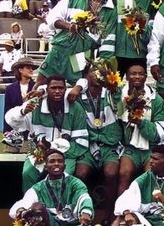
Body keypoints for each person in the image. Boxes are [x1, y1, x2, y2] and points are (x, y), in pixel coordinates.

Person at [5, 75, 89, 192]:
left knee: (64, 174)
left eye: (61, 88)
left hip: (66, 154)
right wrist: (22, 111)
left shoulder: (75, 107)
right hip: (39, 152)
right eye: (53, 88)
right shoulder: (36, 104)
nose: (57, 91)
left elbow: (81, 141)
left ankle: (59, 208)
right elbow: (10, 119)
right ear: (47, 89)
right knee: (28, 173)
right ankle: (30, 206)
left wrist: (56, 152)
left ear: (65, 89)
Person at [68, 66, 123, 225]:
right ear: (86, 76)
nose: (99, 75)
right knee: (81, 174)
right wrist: (78, 86)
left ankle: (108, 215)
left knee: (111, 173)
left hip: (109, 145)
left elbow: (120, 100)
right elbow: (61, 92)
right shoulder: (78, 95)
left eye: (102, 73)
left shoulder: (112, 93)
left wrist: (111, 84)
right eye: (94, 71)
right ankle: (82, 214)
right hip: (88, 145)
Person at [36, 0, 117, 88]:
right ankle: (29, 104)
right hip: (59, 51)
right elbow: (52, 18)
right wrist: (68, 26)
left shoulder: (111, 11)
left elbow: (108, 44)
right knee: (40, 85)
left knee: (78, 92)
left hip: (82, 56)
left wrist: (99, 67)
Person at [113, 145, 164, 226]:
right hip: (148, 221)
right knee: (122, 219)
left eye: (155, 159)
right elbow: (126, 198)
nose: (150, 162)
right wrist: (127, 213)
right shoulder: (144, 179)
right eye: (151, 158)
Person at [116, 63, 164, 196]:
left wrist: (141, 123)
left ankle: (148, 210)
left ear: (145, 77)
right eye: (133, 74)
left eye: (140, 74)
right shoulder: (119, 97)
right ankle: (121, 212)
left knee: (150, 175)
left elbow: (160, 133)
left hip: (150, 148)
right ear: (126, 77)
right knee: (124, 173)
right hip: (129, 148)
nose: (137, 77)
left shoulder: (156, 100)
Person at [9, 149, 94, 226]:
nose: (56, 164)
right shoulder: (38, 188)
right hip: (49, 223)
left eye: (60, 161)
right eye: (52, 161)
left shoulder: (75, 183)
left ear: (64, 166)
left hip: (74, 223)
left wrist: (86, 213)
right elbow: (22, 204)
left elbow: (84, 197)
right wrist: (22, 212)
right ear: (45, 166)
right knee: (36, 207)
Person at [110, 0, 160, 76]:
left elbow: (154, 26)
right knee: (113, 87)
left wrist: (142, 26)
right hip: (117, 52)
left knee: (137, 88)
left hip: (139, 54)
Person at [2, 58, 38, 154]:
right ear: (20, 70)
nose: (31, 70)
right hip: (14, 131)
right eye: (28, 68)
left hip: (30, 131)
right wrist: (6, 130)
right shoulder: (10, 88)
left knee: (27, 158)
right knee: (9, 159)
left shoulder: (37, 88)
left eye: (32, 68)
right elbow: (7, 110)